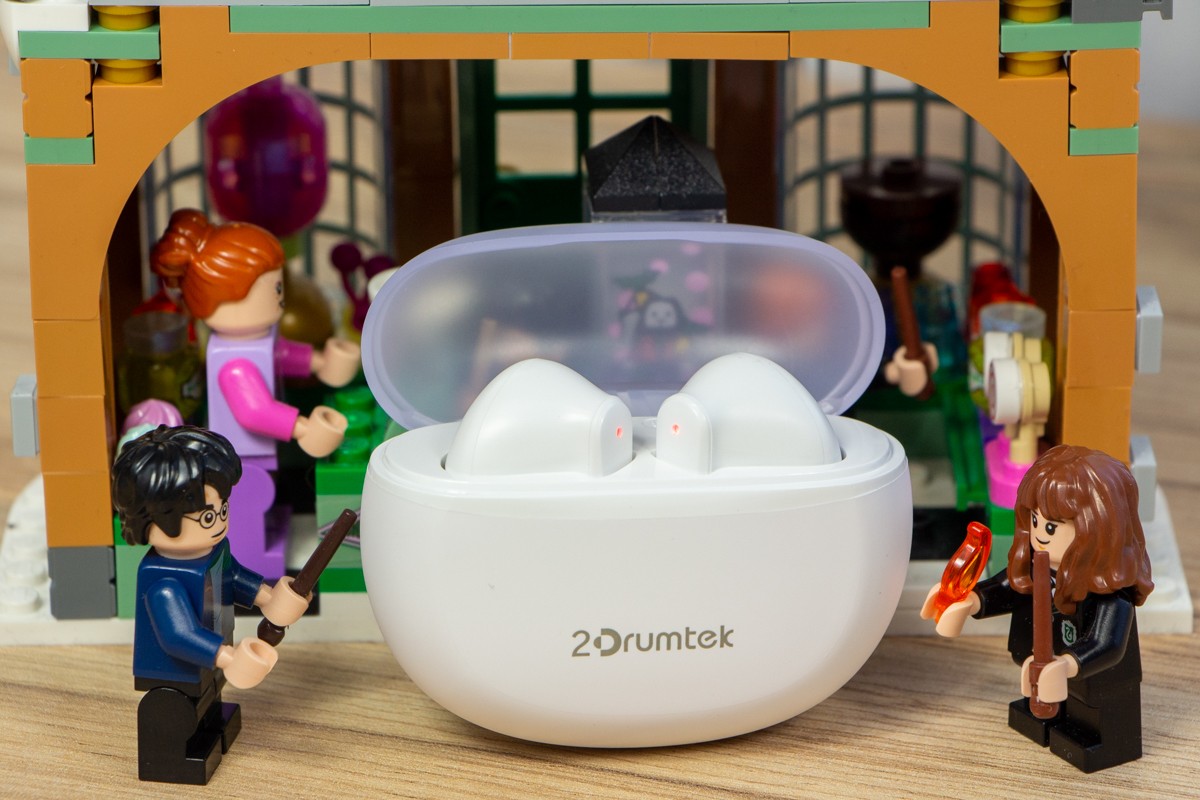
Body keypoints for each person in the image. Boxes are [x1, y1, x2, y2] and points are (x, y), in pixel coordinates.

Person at [151, 209, 360, 578]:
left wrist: (318, 362)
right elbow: (254, 411)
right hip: (240, 453)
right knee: (247, 501)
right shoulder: (233, 362)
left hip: (256, 449)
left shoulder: (257, 340)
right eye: (273, 288)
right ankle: (251, 562)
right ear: (226, 297)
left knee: (265, 494)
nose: (281, 296)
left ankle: (269, 531)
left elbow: (280, 355)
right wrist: (301, 428)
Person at [923, 444, 1154, 773]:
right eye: (1034, 519)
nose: (1040, 534)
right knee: (1046, 698)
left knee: (1095, 707)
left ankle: (1101, 739)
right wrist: (971, 599)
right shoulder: (1037, 567)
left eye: (1052, 526)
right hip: (1044, 666)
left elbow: (1106, 643)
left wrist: (1067, 664)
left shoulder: (1110, 594)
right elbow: (1010, 588)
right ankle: (1050, 717)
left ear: (1098, 527)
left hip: (1094, 676)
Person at [113, 425, 311, 784]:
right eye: (206, 516)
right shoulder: (164, 580)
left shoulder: (214, 551)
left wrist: (269, 598)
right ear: (154, 520)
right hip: (174, 670)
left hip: (214, 651)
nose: (219, 522)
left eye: (222, 509)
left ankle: (210, 729)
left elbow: (231, 576)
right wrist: (227, 657)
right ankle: (174, 756)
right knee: (178, 709)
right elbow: (179, 634)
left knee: (211, 695)